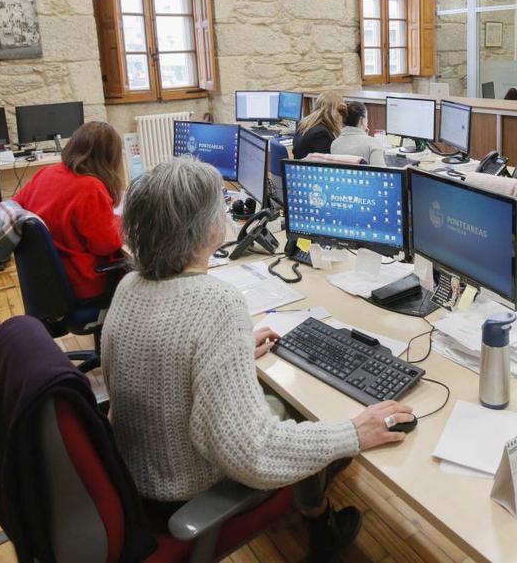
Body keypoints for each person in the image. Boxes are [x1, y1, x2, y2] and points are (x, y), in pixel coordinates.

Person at [103, 157, 411, 562]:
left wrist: (229, 356)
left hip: (140, 475)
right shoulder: (215, 303)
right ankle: (320, 526)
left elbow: (163, 361)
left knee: (277, 395)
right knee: (303, 412)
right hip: (189, 493)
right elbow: (254, 453)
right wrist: (353, 434)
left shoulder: (129, 284)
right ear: (204, 225)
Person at [14, 121, 125, 306]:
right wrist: (126, 223)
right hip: (83, 283)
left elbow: (16, 205)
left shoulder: (45, 172)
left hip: (49, 281)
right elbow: (106, 245)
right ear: (108, 157)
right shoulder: (90, 187)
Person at [329, 101, 386, 166]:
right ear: (362, 120)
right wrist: (369, 139)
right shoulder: (373, 144)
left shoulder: (335, 144)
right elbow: (380, 173)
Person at [292, 90, 345, 159]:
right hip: (309, 168)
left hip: (300, 166)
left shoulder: (304, 123)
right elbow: (326, 163)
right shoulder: (320, 134)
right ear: (335, 111)